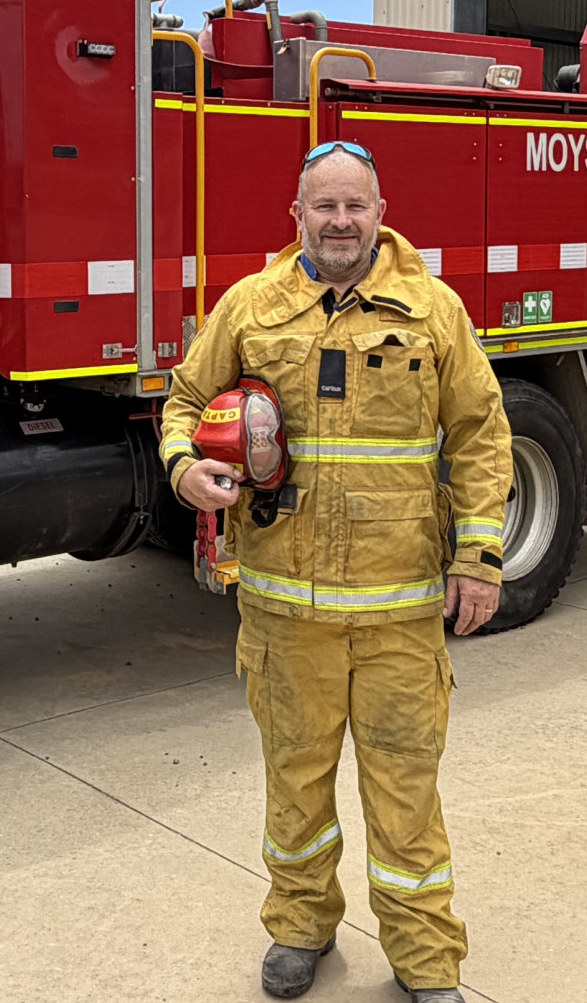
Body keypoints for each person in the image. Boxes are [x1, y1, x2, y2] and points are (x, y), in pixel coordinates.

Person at [159, 141, 513, 1002]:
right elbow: (181, 400)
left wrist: (480, 558)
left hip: (398, 616)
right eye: (325, 206)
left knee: (405, 793)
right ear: (299, 215)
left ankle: (426, 961)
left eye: (356, 205)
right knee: (295, 788)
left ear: (381, 211)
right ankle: (301, 927)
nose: (342, 221)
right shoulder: (250, 306)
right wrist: (186, 467)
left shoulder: (434, 312)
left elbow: (480, 435)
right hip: (284, 619)